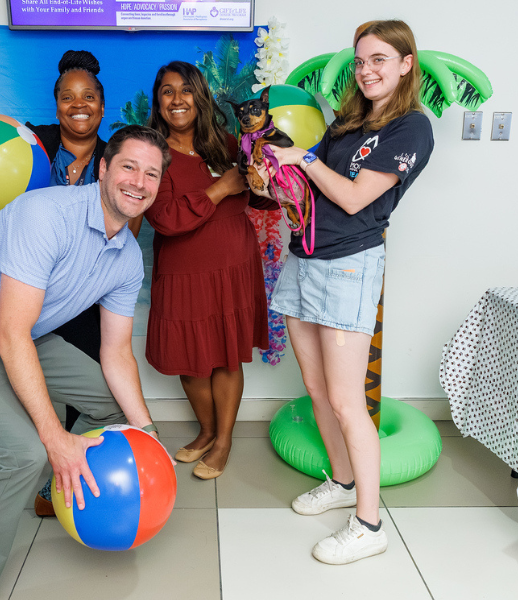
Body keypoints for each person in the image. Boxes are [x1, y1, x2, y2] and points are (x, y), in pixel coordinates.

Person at [0, 125, 171, 600]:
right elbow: (9, 334)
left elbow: (115, 353)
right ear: (104, 169)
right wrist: (55, 441)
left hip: (20, 332)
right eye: (129, 166)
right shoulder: (46, 213)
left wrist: (146, 430)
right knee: (23, 453)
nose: (139, 182)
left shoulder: (128, 257)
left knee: (113, 407)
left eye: (151, 174)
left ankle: (57, 491)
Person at [0, 50, 133, 515]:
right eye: (68, 97)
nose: (79, 104)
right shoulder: (25, 141)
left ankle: (58, 477)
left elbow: (124, 232)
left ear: (102, 104)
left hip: (71, 294)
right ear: (56, 105)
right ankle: (0, 446)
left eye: (89, 96)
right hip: (2, 282)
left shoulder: (116, 160)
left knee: (83, 381)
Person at [261, 20, 434, 564]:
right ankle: (339, 481)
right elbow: (312, 193)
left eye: (379, 59)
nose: (366, 71)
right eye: (360, 61)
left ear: (406, 63)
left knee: (345, 400)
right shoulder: (348, 122)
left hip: (350, 269)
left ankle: (369, 523)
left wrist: (304, 161)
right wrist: (279, 181)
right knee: (316, 389)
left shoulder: (412, 128)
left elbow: (358, 200)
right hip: (305, 258)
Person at [143, 61, 274, 480]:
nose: (177, 99)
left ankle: (223, 441)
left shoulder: (228, 142)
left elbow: (260, 201)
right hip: (183, 269)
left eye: (186, 90)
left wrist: (267, 182)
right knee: (190, 362)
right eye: (167, 91)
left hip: (232, 263)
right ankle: (207, 430)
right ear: (158, 101)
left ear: (200, 97)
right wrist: (219, 188)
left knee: (226, 359)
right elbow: (164, 219)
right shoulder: (152, 154)